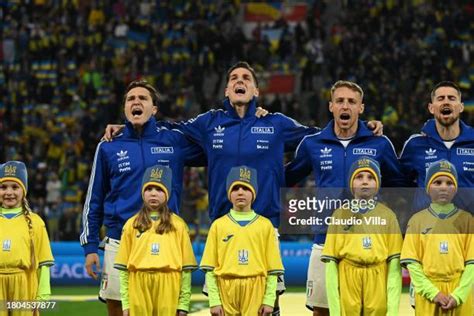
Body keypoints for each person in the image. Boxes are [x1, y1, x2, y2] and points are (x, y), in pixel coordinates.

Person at [80, 80, 204, 315]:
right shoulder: (108, 146)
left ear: (154, 109)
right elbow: (93, 199)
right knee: (118, 308)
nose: (136, 101)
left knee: (167, 307)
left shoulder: (174, 140)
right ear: (125, 108)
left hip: (165, 236)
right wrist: (90, 247)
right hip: (120, 239)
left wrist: (254, 117)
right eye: (130, 99)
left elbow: (217, 146)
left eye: (143, 98)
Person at [285, 80, 403, 316]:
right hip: (325, 239)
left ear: (361, 108)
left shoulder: (379, 142)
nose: (345, 106)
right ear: (331, 106)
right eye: (340, 101)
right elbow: (285, 178)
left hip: (369, 241)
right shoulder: (312, 144)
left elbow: (400, 185)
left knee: (366, 310)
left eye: (351, 101)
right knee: (321, 311)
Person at [321, 157, 402, 315]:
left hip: (378, 276)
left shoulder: (388, 215)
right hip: (348, 276)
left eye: (371, 177)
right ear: (351, 183)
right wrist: (335, 312)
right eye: (359, 177)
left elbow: (394, 264)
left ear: (378, 183)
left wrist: (393, 310)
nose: (365, 182)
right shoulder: (339, 214)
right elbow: (331, 263)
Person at [200, 166, 284, 316]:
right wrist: (214, 301)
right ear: (229, 194)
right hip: (225, 288)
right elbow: (210, 269)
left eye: (245, 188)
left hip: (256, 288)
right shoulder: (218, 225)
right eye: (235, 188)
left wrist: (269, 300)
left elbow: (273, 270)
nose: (240, 192)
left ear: (254, 193)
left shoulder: (265, 225)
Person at [114, 165, 196, 316]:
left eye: (159, 190)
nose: (153, 193)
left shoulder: (179, 225)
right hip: (138, 285)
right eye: (149, 189)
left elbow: (186, 270)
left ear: (167, 194)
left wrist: (183, 304)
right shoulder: (131, 225)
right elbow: (124, 270)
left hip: (169, 285)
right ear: (142, 193)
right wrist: (126, 303)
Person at [400, 160, 473, 315]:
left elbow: (472, 265)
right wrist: (433, 293)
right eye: (437, 182)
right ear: (427, 187)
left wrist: (459, 295)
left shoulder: (467, 220)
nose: (443, 187)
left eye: (449, 183)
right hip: (428, 295)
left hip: (460, 292)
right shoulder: (417, 220)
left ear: (455, 189)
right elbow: (412, 264)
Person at [400, 81, 474, 213]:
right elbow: (399, 184)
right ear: (431, 108)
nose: (446, 102)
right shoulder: (415, 144)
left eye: (452, 98)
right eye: (440, 98)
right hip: (428, 231)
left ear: (461, 107)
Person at [0, 161, 54, 313]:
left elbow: (44, 262)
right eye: (3, 187)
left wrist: (42, 294)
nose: (9, 192)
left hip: (24, 287)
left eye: (15, 187)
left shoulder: (36, 222)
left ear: (24, 190)